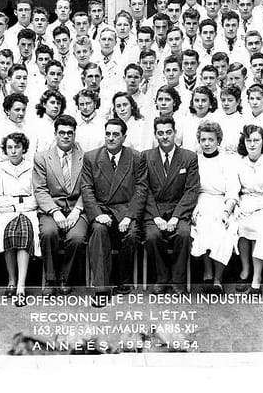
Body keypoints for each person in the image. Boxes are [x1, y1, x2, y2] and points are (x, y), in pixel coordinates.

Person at [81, 118, 147, 293]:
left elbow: (141, 189)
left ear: (124, 137)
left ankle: (121, 278)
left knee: (132, 235)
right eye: (108, 134)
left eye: (116, 134)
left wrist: (129, 216)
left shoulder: (136, 157)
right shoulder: (91, 157)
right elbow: (86, 189)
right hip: (102, 210)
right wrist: (97, 214)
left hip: (126, 210)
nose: (110, 138)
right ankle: (102, 287)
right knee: (99, 230)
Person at [142, 115, 200, 293]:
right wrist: (155, 216)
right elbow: (144, 189)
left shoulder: (189, 157)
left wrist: (176, 216)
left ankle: (178, 279)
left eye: (168, 132)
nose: (165, 136)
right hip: (154, 210)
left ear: (175, 133)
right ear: (155, 135)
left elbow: (191, 190)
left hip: (178, 209)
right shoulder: (146, 156)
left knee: (184, 234)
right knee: (152, 236)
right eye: (160, 133)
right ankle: (162, 277)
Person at [32, 115, 87, 295]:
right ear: (55, 134)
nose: (65, 136)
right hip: (51, 209)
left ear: (74, 135)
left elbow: (88, 188)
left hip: (77, 209)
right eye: (62, 132)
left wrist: (77, 211)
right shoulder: (42, 158)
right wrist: (55, 211)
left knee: (77, 238)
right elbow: (40, 190)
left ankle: (65, 276)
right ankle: (50, 278)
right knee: (48, 233)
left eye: (69, 133)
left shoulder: (85, 158)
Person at [229, 125, 263, 295]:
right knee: (238, 226)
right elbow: (233, 190)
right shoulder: (238, 163)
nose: (252, 144)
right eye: (248, 141)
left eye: (256, 140)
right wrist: (236, 205)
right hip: (244, 203)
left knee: (261, 229)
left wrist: (258, 205)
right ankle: (245, 270)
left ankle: (257, 278)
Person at [0, 133, 40, 307]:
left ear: (24, 149)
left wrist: (19, 206)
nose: (13, 151)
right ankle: (11, 279)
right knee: (9, 234)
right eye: (10, 147)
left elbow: (36, 197)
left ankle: (21, 285)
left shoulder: (32, 167)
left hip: (28, 211)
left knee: (24, 233)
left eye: (17, 147)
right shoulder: (0, 168)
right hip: (7, 212)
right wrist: (13, 206)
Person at [190, 121, 239, 294]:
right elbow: (191, 189)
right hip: (200, 201)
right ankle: (207, 273)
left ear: (218, 140)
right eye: (203, 140)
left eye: (211, 139)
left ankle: (218, 278)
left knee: (221, 230)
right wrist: (194, 207)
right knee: (201, 226)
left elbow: (232, 191)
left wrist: (226, 212)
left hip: (222, 202)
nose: (207, 143)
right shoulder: (194, 160)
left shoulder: (228, 161)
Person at [181, 86, 219, 152]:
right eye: (197, 100)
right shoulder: (186, 120)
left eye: (203, 100)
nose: (200, 104)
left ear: (210, 103)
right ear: (192, 103)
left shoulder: (216, 120)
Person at [214, 85, 244, 156]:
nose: (226, 104)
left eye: (230, 100)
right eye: (223, 100)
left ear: (238, 101)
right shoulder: (216, 120)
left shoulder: (243, 121)